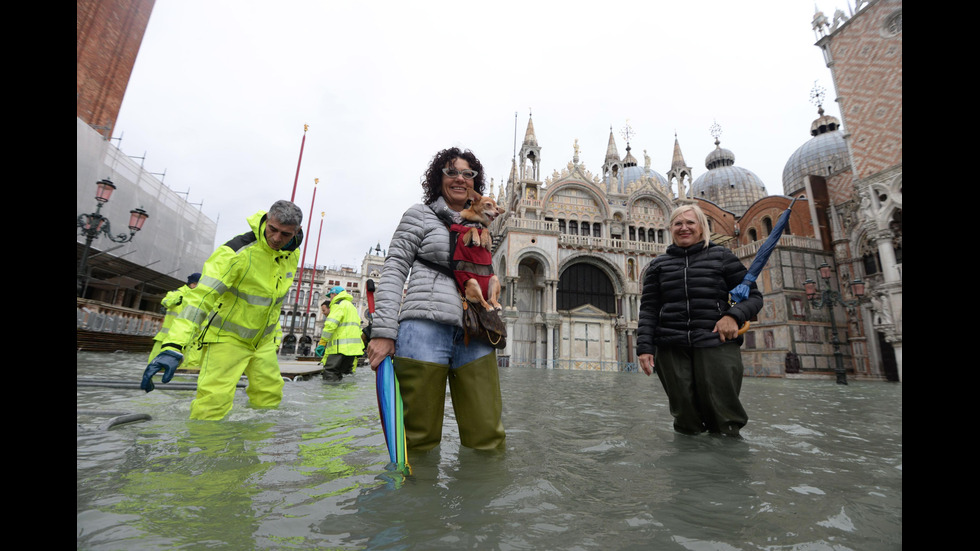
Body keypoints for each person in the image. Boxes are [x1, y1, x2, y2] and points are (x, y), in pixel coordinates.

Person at [366, 146, 505, 451]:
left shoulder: (482, 225)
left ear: (475, 183)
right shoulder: (420, 216)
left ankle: (482, 495)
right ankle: (414, 497)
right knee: (418, 437)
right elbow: (394, 268)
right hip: (424, 330)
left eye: (468, 173)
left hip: (476, 331)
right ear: (438, 178)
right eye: (451, 171)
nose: (460, 178)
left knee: (488, 436)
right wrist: (384, 331)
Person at [139, 200, 304, 421]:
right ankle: (204, 451)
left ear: (296, 232)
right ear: (266, 219)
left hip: (261, 342)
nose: (276, 238)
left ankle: (256, 446)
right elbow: (201, 299)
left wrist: (273, 339)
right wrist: (174, 345)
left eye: (285, 234)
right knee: (213, 403)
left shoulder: (291, 254)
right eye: (272, 229)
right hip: (226, 338)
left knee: (270, 396)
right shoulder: (235, 253)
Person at [636, 203, 762, 438]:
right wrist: (644, 348)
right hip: (671, 346)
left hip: (715, 341)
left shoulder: (722, 257)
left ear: (701, 227)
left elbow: (753, 298)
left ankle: (728, 468)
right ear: (670, 228)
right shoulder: (658, 266)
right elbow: (649, 310)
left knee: (724, 415)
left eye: (690, 223)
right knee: (684, 418)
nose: (684, 228)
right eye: (678, 223)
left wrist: (732, 316)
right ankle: (689, 471)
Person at [148, 272, 201, 366]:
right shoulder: (176, 293)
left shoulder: (200, 298)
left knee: (180, 367)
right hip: (166, 338)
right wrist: (176, 300)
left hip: (186, 340)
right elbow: (165, 302)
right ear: (192, 283)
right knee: (155, 364)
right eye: (196, 284)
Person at [318, 286, 364, 381]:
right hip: (352, 350)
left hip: (339, 348)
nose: (330, 299)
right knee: (345, 375)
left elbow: (330, 325)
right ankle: (343, 395)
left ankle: (330, 395)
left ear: (334, 294)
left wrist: (322, 343)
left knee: (330, 372)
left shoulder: (338, 305)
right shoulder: (352, 307)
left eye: (330, 296)